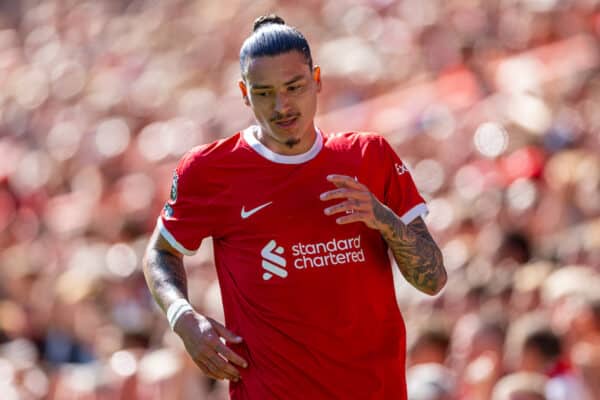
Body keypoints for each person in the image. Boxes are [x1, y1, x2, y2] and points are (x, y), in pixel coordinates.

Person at [142, 14, 447, 400]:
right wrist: (181, 317)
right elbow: (160, 252)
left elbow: (432, 280)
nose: (281, 105)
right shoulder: (208, 170)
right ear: (244, 92)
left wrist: (383, 219)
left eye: (294, 86)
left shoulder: (369, 156)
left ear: (316, 81)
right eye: (264, 92)